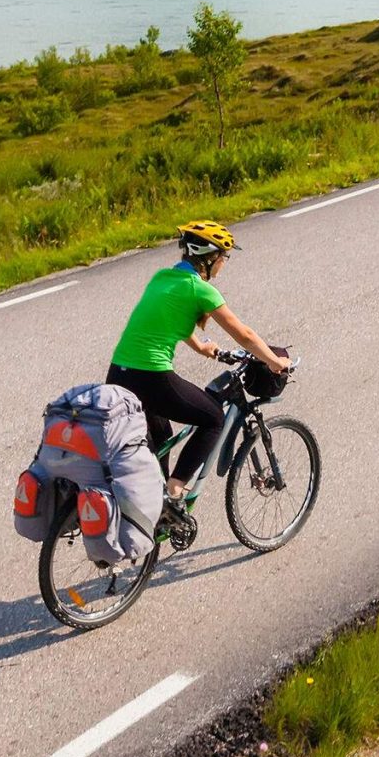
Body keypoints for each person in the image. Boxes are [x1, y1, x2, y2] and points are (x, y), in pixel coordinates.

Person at [107, 220, 289, 546]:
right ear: (209, 257)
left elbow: (168, 316)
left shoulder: (163, 278)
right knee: (213, 417)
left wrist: (200, 346)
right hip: (151, 376)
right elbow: (244, 334)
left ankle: (157, 508)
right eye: (224, 256)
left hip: (119, 373)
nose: (224, 263)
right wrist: (276, 362)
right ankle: (176, 490)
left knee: (161, 435)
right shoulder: (200, 288)